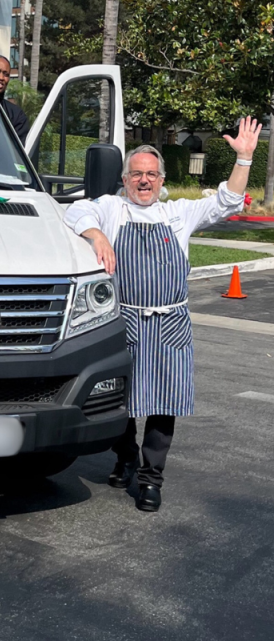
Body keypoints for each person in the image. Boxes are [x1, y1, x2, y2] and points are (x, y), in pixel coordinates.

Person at [64, 117, 261, 513]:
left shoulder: (179, 214)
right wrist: (97, 234)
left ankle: (152, 479)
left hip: (171, 324)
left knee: (163, 403)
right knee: (120, 402)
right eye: (136, 174)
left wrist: (243, 159)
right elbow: (74, 211)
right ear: (124, 178)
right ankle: (125, 457)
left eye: (151, 174)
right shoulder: (111, 208)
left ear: (161, 179)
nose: (144, 181)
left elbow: (225, 201)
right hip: (124, 323)